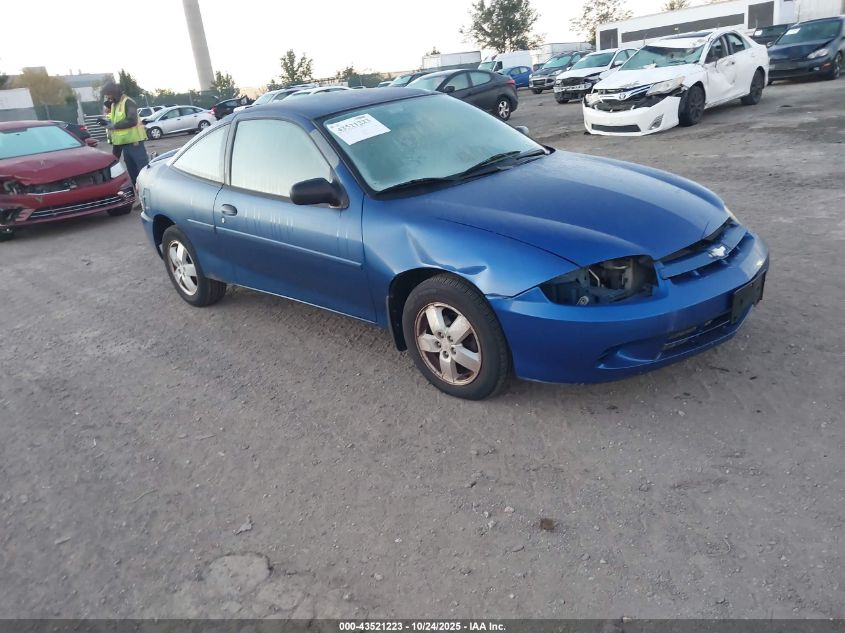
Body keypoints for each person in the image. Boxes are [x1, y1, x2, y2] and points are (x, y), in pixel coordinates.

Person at [96, 81, 148, 187]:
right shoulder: (115, 105)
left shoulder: (128, 102)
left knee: (143, 172)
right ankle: (140, 196)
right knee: (133, 174)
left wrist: (113, 126)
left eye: (109, 95)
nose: (108, 98)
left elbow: (131, 120)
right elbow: (115, 122)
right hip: (124, 145)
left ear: (114, 93)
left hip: (135, 144)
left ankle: (148, 194)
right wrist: (107, 123)